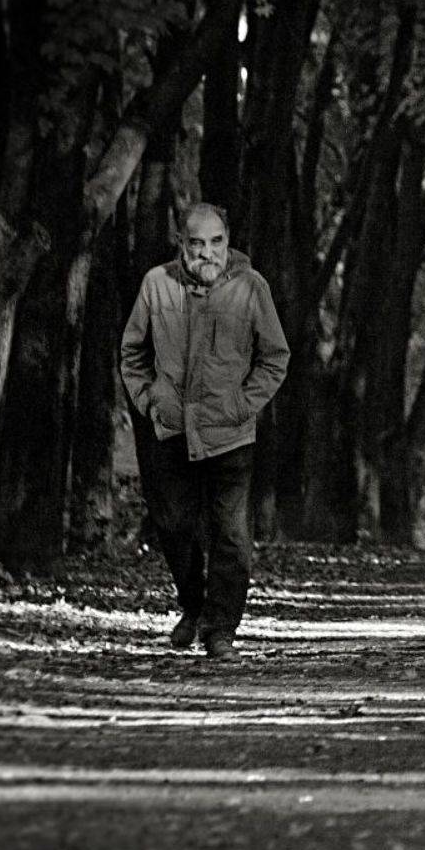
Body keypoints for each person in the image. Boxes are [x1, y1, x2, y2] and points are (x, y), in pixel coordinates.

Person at [119, 203, 289, 659]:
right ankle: (193, 608)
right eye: (196, 243)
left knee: (231, 535)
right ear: (182, 244)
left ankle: (220, 630)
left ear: (227, 241)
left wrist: (242, 405)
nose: (206, 253)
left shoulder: (251, 288)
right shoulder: (156, 284)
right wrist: (150, 401)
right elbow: (132, 353)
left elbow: (275, 357)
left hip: (231, 434)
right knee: (174, 525)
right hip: (173, 431)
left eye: (216, 242)